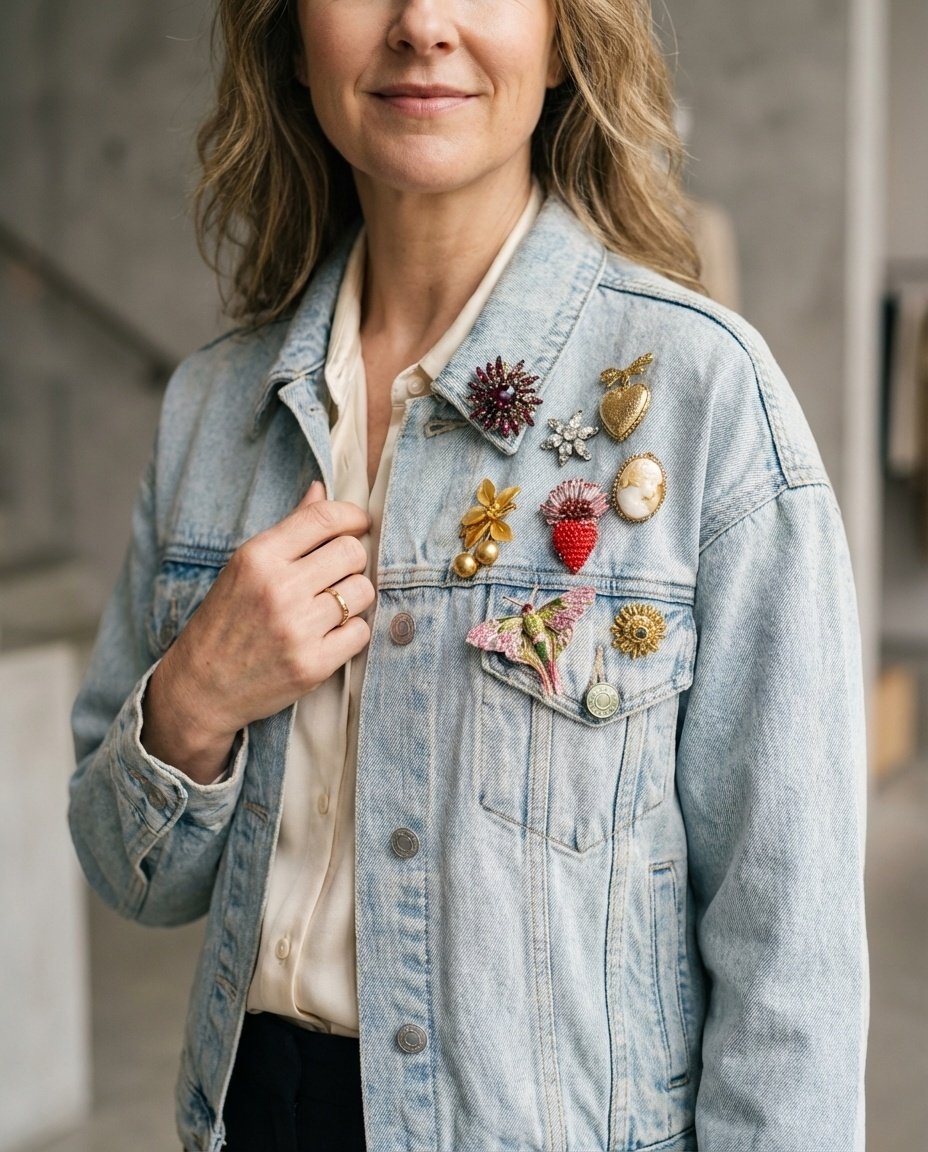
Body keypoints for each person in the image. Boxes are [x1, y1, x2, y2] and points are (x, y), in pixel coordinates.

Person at [68, 0, 868, 1147]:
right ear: (293, 36)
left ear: (563, 38)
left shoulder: (704, 402)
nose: (422, 24)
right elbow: (129, 876)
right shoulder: (214, 408)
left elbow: (789, 953)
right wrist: (193, 697)